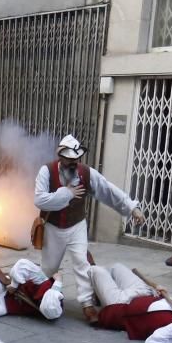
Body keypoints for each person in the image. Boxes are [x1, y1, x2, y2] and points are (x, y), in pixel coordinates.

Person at [33, 134, 144, 324]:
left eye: (76, 159)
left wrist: (132, 208)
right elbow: (40, 200)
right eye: (69, 159)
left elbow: (108, 190)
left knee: (82, 263)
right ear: (61, 156)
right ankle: (47, 296)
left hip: (77, 225)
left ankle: (87, 305)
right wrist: (67, 193)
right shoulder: (46, 171)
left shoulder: (86, 172)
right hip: (53, 227)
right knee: (49, 267)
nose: (73, 163)